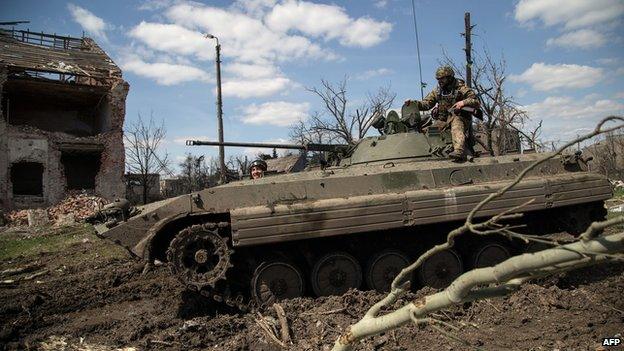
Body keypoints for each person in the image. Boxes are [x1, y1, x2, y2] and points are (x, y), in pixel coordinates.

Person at [405, 65, 480, 161]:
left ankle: (459, 151)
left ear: (449, 78)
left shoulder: (461, 89)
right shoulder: (438, 91)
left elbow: (476, 102)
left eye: (442, 79)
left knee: (456, 124)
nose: (440, 81)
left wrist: (463, 102)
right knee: (430, 131)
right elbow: (427, 104)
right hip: (443, 120)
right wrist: (414, 103)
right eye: (438, 79)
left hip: (460, 118)